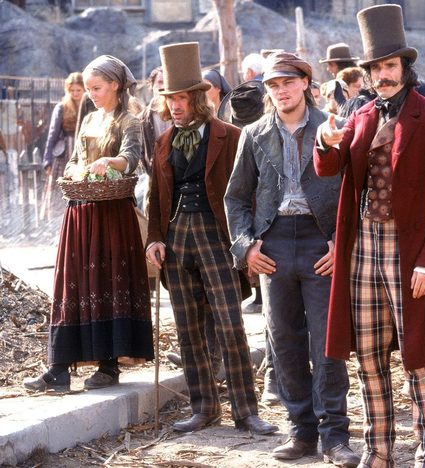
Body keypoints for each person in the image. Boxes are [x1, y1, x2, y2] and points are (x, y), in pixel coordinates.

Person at [314, 5, 425, 466]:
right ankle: (378, 450)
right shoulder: (360, 115)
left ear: (405, 67)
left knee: (419, 356)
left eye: (390, 65)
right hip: (362, 247)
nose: (383, 74)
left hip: (409, 248)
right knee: (368, 354)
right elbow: (330, 169)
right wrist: (324, 141)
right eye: (376, 67)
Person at [224, 51, 359, 467]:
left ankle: (335, 436)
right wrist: (246, 246)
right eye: (273, 85)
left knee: (327, 341)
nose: (281, 91)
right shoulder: (254, 133)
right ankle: (301, 431)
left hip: (321, 243)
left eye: (288, 82)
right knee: (283, 339)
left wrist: (340, 242)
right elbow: (236, 198)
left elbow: (354, 190)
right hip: (274, 243)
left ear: (305, 83)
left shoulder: (332, 127)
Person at [144, 42, 277, 436]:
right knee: (188, 328)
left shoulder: (230, 136)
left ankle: (246, 412)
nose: (175, 106)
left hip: (217, 235)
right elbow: (155, 196)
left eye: (182, 98)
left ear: (199, 99)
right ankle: (204, 408)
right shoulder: (163, 141)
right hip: (176, 239)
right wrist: (154, 239)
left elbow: (251, 192)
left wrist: (248, 240)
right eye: (170, 99)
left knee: (229, 325)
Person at [23, 55, 153, 393]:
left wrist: (110, 161)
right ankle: (59, 368)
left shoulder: (129, 121)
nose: (91, 94)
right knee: (73, 284)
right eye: (89, 88)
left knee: (107, 281)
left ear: (115, 85)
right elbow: (75, 160)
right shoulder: (90, 119)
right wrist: (76, 170)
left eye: (97, 88)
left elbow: (131, 159)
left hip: (112, 215)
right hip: (81, 210)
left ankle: (108, 366)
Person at [41, 72, 84, 221]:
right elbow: (52, 134)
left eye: (78, 90)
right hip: (65, 154)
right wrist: (48, 160)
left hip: (84, 152)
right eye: (72, 90)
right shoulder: (62, 107)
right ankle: (59, 223)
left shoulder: (90, 106)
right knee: (61, 190)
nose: (75, 93)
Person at [140, 67, 170, 175]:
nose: (163, 86)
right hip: (153, 172)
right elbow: (141, 151)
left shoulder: (177, 113)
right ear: (152, 85)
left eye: (166, 83)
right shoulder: (142, 118)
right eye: (160, 82)